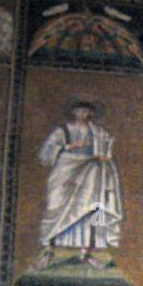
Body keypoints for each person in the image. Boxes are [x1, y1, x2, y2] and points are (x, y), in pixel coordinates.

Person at [34, 100, 123, 271]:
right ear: (73, 112)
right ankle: (49, 250)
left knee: (93, 209)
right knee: (56, 207)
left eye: (86, 111)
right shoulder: (63, 131)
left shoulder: (98, 132)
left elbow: (106, 152)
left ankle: (87, 252)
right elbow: (46, 153)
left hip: (91, 171)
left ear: (90, 113)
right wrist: (68, 146)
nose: (82, 114)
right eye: (79, 111)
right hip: (66, 170)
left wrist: (105, 156)